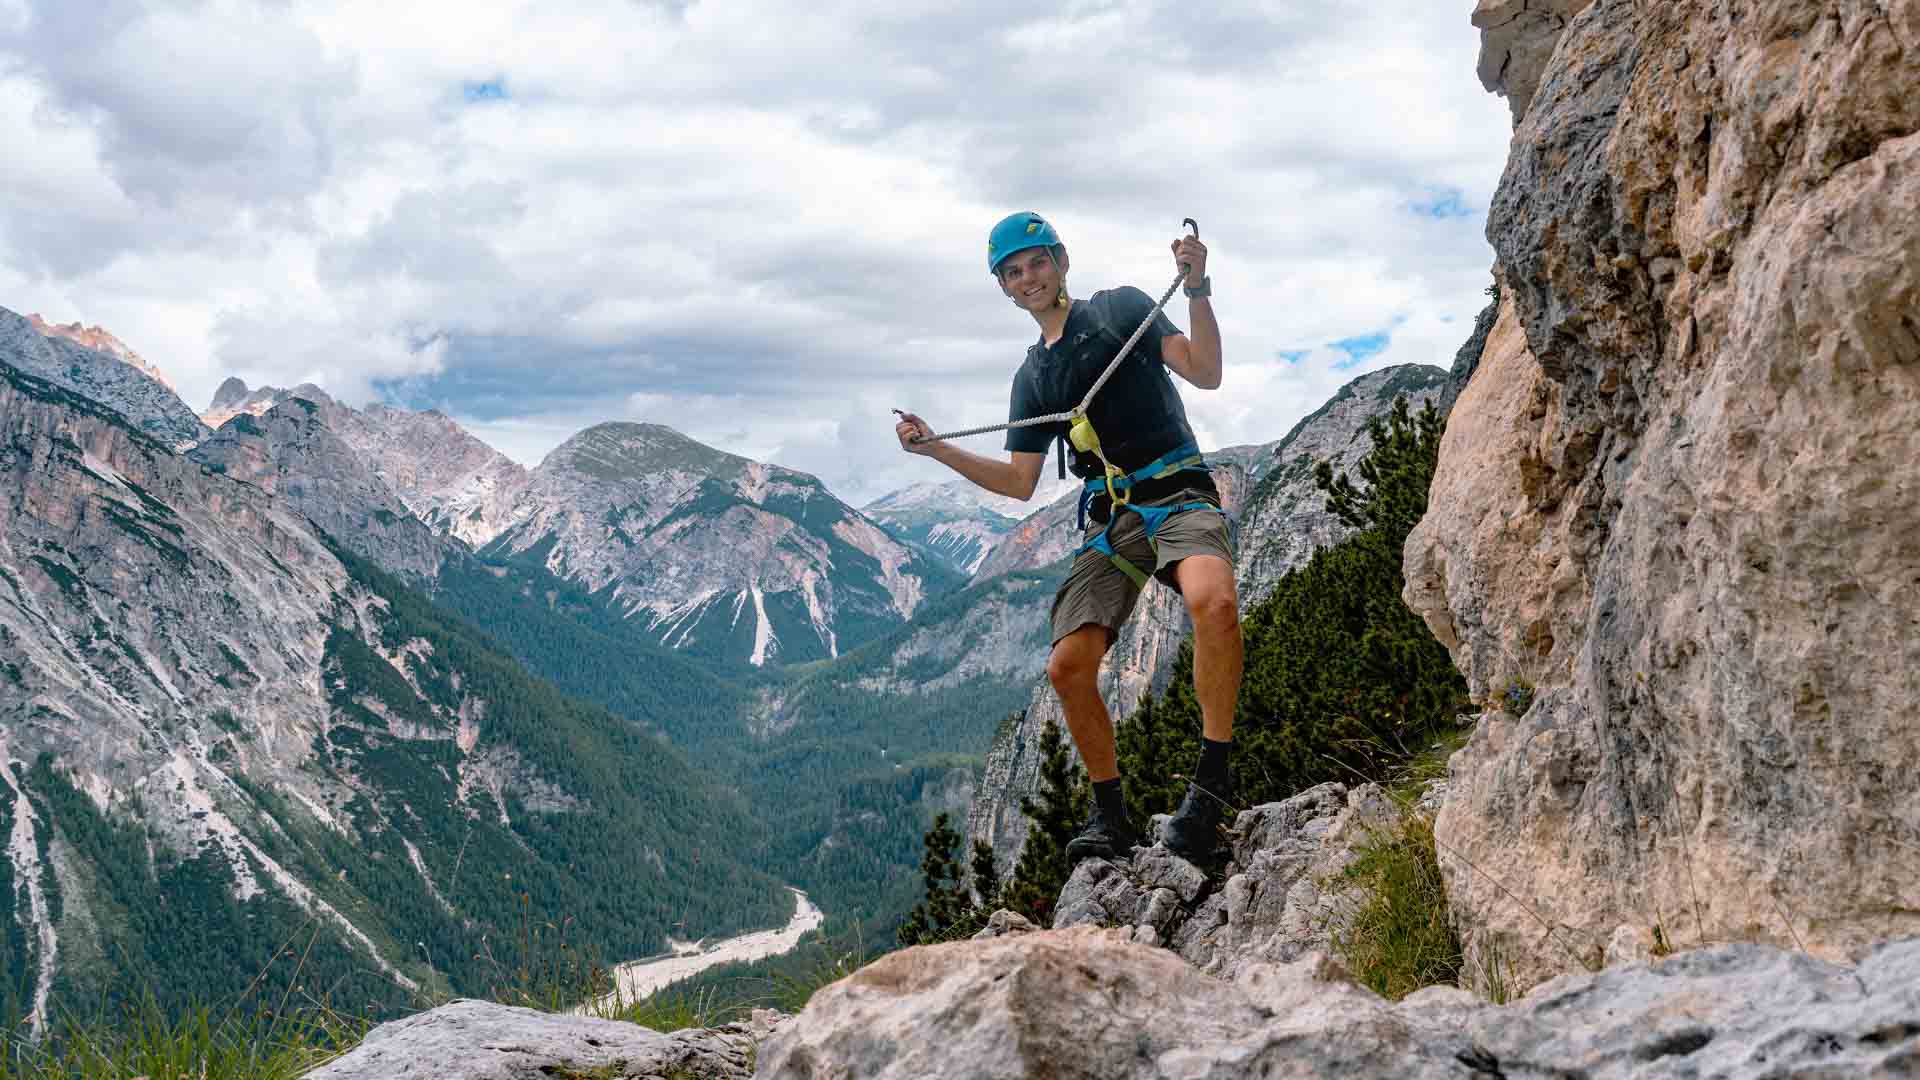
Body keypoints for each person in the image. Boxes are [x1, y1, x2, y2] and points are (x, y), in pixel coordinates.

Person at [894, 211, 1244, 864]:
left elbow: (1205, 370)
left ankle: (1212, 784)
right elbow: (1020, 482)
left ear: (1061, 260)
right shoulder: (1033, 380)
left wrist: (1197, 290)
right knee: (1068, 667)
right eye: (1014, 271)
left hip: (1177, 490)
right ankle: (1109, 813)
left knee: (1214, 604)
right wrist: (938, 450)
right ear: (1004, 286)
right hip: (1112, 520)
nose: (1028, 279)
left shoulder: (1122, 311)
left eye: (1037, 263)